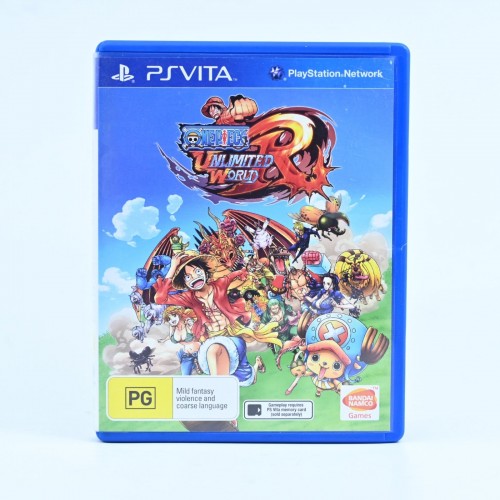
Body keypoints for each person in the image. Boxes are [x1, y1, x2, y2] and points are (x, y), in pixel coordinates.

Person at [154, 252, 280, 386]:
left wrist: (244, 272)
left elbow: (235, 274)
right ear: (184, 282)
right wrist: (172, 268)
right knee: (244, 377)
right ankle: (255, 366)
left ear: (205, 271)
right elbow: (159, 299)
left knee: (227, 363)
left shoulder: (219, 284)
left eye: (197, 271)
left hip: (232, 335)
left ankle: (220, 389)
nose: (195, 277)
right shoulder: (189, 297)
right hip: (210, 339)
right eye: (188, 277)